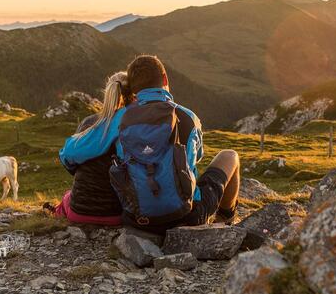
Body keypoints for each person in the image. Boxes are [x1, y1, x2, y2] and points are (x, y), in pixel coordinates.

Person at [59, 55, 239, 233]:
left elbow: (71, 152)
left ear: (133, 88)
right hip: (188, 216)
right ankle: (226, 217)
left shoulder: (119, 119)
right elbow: (196, 158)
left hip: (137, 218)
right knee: (230, 156)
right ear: (165, 79)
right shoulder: (188, 117)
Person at [48, 72, 131, 225]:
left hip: (79, 212)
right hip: (117, 214)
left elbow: (71, 164)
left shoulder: (89, 123)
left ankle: (56, 213)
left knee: (67, 196)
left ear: (109, 93)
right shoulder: (134, 125)